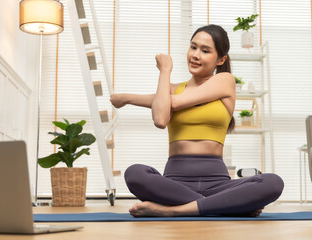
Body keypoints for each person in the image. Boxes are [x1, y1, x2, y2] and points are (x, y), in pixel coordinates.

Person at [110, 24, 284, 217]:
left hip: (218, 183)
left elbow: (172, 104)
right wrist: (150, 83)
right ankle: (222, 206)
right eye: (193, 47)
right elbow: (160, 118)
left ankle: (173, 211)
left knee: (273, 182)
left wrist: (163, 71)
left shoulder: (225, 80)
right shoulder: (170, 91)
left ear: (221, 59)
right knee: (135, 173)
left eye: (205, 50)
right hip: (175, 184)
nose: (195, 55)